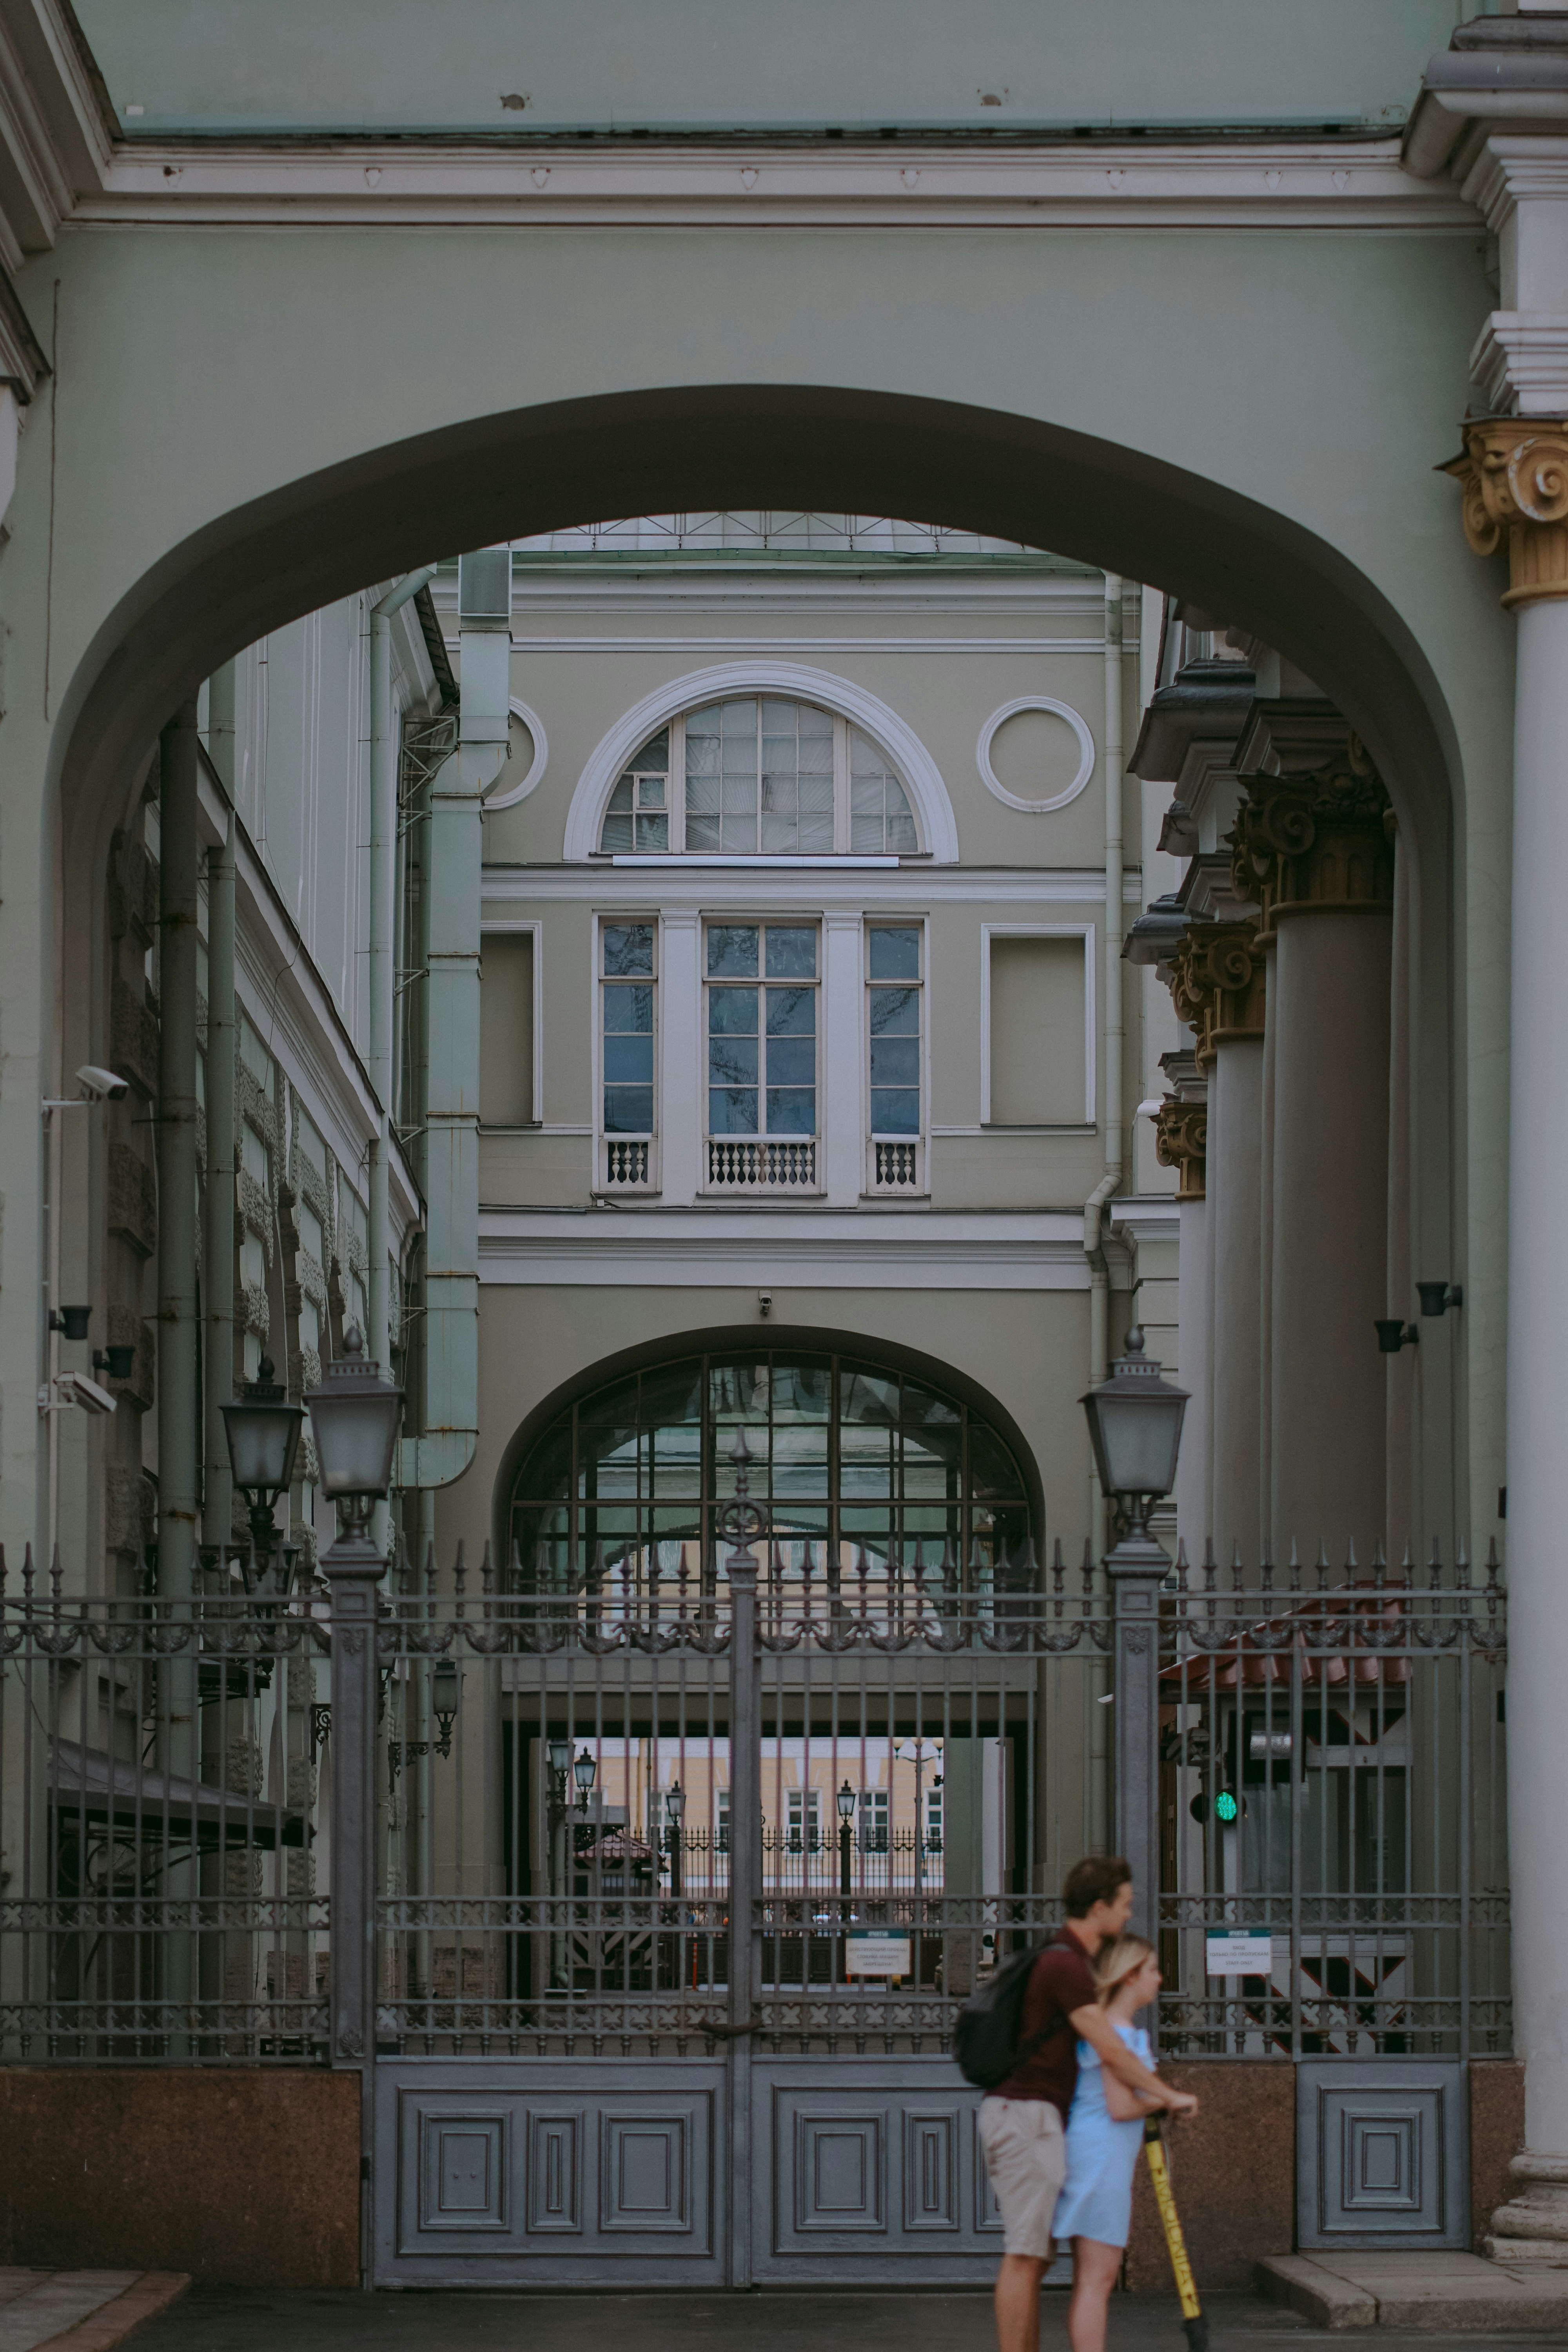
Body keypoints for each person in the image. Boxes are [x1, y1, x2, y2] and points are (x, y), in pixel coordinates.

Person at [978, 1856, 1197, 2352]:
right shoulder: (1065, 1965)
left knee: (1033, 2257)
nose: (1126, 1916)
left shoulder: (1062, 1961)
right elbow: (1111, 2051)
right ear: (1099, 1907)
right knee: (1024, 2256)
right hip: (1025, 2114)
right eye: (1123, 1906)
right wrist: (1166, 2095)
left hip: (1034, 2116)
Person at [1053, 1935, 1174, 2352]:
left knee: (1092, 2278)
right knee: (1097, 2279)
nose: (1160, 1978)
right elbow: (1122, 2106)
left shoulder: (1114, 2031)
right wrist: (1165, 2099)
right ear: (1130, 1977)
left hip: (1099, 2156)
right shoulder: (1115, 2034)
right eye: (1153, 1970)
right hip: (1099, 2159)